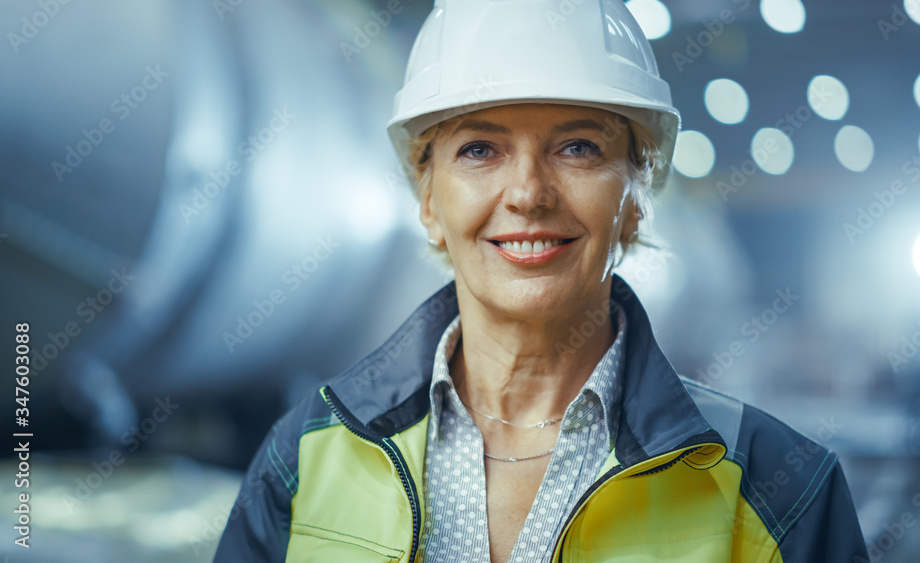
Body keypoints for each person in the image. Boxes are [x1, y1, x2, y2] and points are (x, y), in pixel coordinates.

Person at [215, 1, 867, 561]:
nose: (528, 192)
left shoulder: (780, 492)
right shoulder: (304, 461)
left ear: (636, 200)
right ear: (429, 202)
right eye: (479, 149)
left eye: (578, 147)